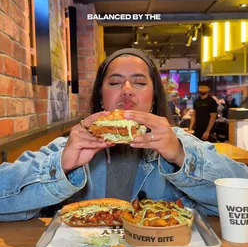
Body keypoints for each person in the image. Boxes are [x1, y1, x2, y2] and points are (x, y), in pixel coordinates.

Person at [0, 48, 248, 222]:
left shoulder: (181, 144)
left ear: (153, 100)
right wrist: (61, 166)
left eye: (139, 83)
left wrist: (182, 156)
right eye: (115, 82)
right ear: (101, 96)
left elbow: (242, 197)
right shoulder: (69, 146)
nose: (127, 91)